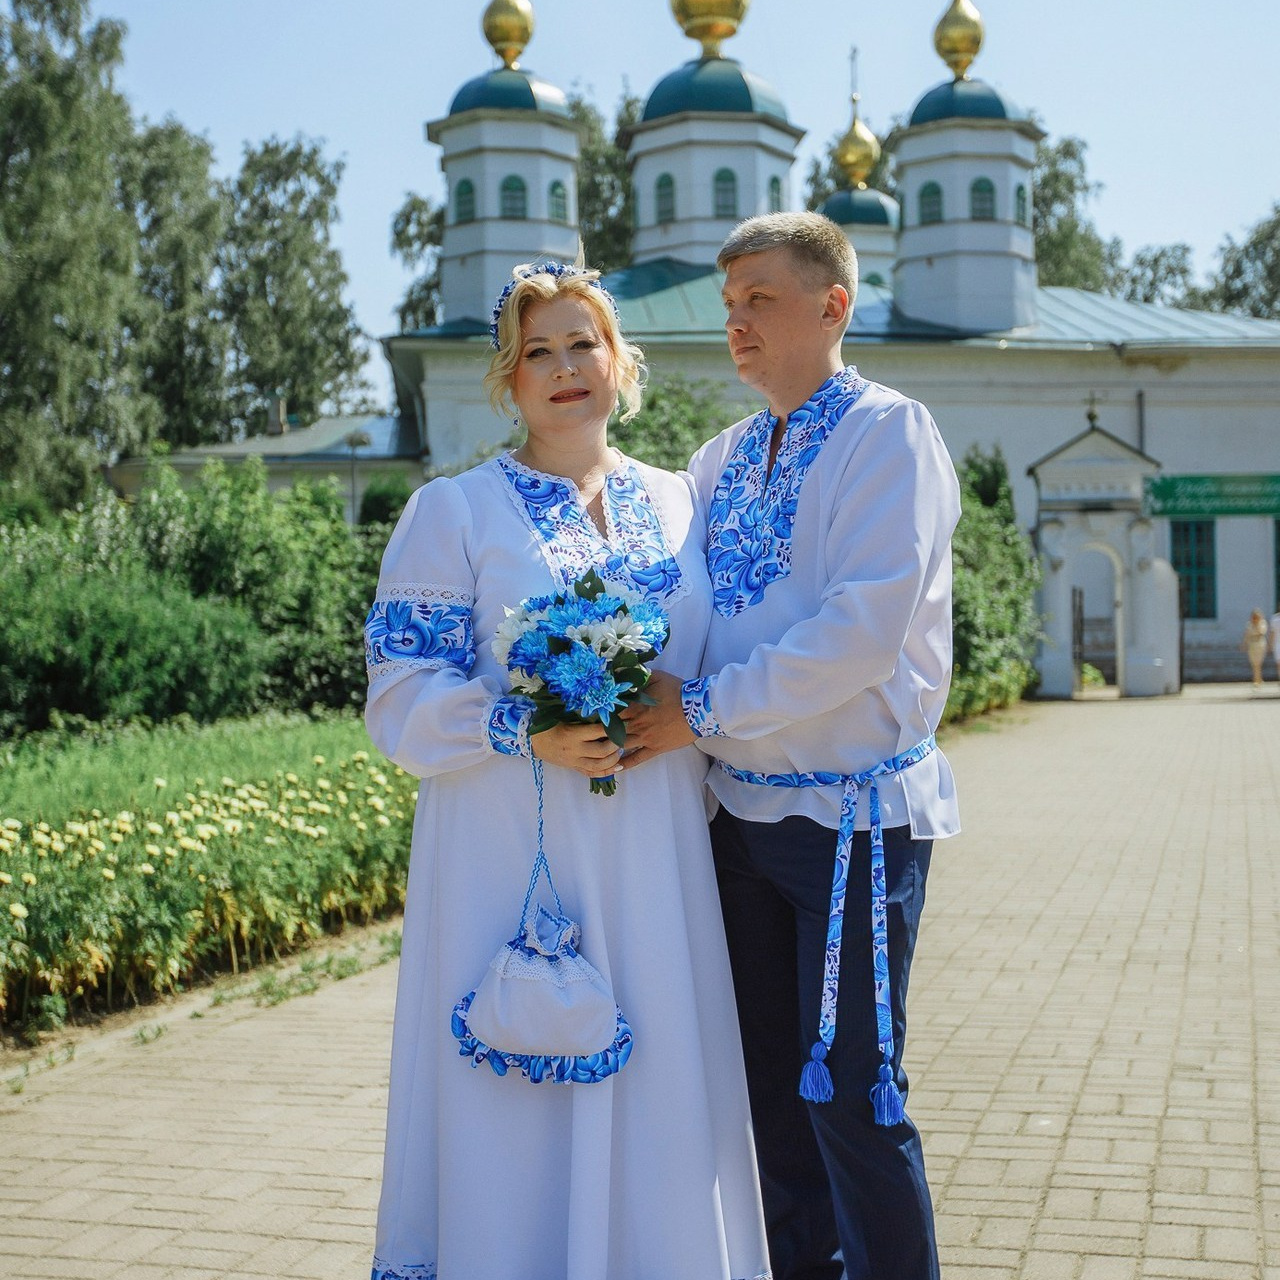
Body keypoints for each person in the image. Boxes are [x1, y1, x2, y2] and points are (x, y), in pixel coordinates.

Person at [363, 261, 769, 1280]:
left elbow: (728, 654)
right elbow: (396, 699)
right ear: (507, 381)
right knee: (519, 1084)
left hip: (658, 850)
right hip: (506, 853)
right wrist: (518, 727)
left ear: (620, 362)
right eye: (534, 351)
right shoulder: (454, 510)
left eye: (579, 343)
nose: (561, 368)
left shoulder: (682, 502)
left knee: (661, 1078)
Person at [623, 211, 960, 1280]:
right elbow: (684, 612)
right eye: (727, 305)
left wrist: (702, 710)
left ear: (832, 305)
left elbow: (859, 631)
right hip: (739, 824)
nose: (735, 323)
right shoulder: (717, 458)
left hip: (849, 823)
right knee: (768, 1099)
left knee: (855, 1096)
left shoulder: (886, 433)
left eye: (758, 298)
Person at [1243, 608, 1269, 687]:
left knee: (1258, 663)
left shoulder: (1262, 623)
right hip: (1252, 644)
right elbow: (1246, 635)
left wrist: (1257, 624)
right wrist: (1244, 643)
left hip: (1260, 643)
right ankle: (1258, 678)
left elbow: (1262, 632)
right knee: (1254, 663)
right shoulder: (1249, 624)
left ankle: (1256, 679)